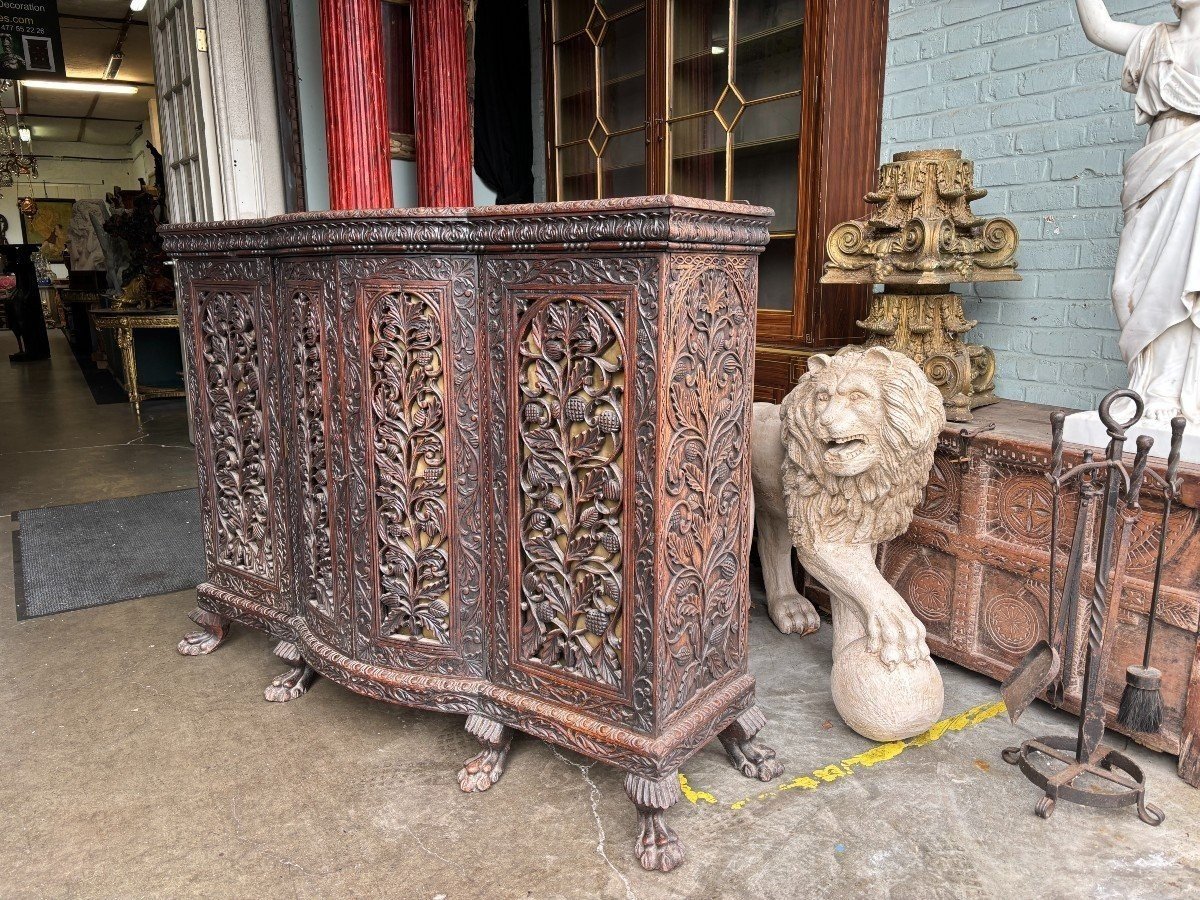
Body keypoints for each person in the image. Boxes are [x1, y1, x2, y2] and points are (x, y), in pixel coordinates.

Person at [1076, 0, 1200, 423]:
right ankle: (1145, 378)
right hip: (1155, 165)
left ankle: (1165, 389)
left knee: (1181, 278)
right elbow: (1099, 27)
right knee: (1125, 287)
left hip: (1197, 164)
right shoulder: (1153, 39)